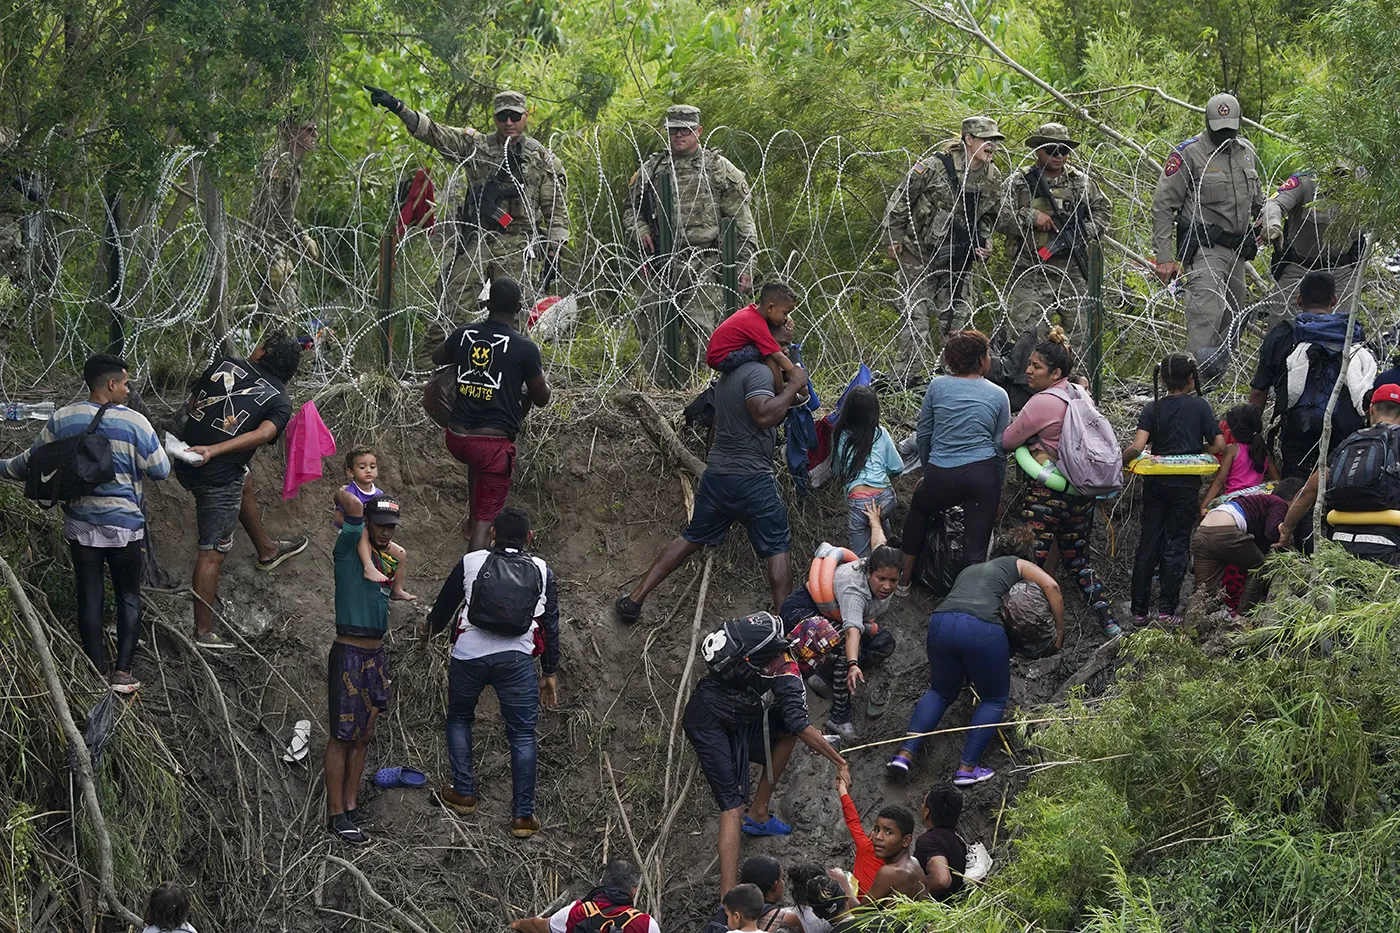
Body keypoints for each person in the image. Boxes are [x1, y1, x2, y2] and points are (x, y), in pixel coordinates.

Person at [615, 321, 809, 624]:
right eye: (783, 347)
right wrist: (795, 384)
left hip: (719, 475)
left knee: (692, 537)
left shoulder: (729, 375)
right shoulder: (758, 373)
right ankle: (786, 627)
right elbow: (763, 415)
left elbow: (719, 426)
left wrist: (789, 389)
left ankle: (634, 599)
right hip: (752, 478)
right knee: (777, 546)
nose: (787, 355)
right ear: (765, 346)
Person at [0, 353, 169, 693]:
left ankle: (94, 670)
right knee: (128, 596)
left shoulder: (64, 418)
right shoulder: (136, 423)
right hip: (125, 528)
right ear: (110, 384)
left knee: (89, 594)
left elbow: (26, 464)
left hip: (81, 526)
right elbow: (161, 470)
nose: (127, 389)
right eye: (124, 383)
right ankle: (122, 673)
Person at [681, 613, 849, 895]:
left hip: (733, 715)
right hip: (709, 722)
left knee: (786, 733)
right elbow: (801, 723)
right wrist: (839, 762)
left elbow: (793, 727)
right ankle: (729, 902)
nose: (820, 663)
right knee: (732, 807)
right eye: (821, 656)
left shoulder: (771, 647)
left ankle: (759, 813)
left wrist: (811, 738)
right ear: (810, 652)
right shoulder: (788, 672)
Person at [366, 86, 567, 318]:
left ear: (525, 116)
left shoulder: (543, 159)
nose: (509, 122)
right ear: (494, 118)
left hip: (517, 246)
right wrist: (398, 107)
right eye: (502, 116)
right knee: (450, 307)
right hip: (478, 239)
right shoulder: (477, 146)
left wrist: (554, 253)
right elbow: (435, 133)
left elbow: (555, 211)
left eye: (515, 116)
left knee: (513, 318)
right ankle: (448, 352)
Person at [886, 527, 1064, 782]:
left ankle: (904, 755)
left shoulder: (972, 569)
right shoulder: (1019, 564)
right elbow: (1052, 586)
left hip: (941, 622)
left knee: (939, 691)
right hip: (982, 628)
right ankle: (967, 768)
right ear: (1025, 555)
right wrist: (1058, 632)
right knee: (993, 698)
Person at [426, 508, 559, 838]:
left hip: (469, 655)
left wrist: (428, 632)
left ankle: (464, 792)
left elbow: (444, 605)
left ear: (493, 534)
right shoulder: (542, 570)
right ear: (529, 537)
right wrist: (549, 671)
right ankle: (523, 817)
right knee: (523, 735)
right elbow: (550, 624)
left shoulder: (472, 561)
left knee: (459, 718)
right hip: (516, 660)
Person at [174, 331, 307, 648]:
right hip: (216, 478)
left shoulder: (226, 364)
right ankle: (203, 633)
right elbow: (264, 434)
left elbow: (193, 404)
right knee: (212, 552)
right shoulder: (280, 400)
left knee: (244, 478)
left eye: (260, 343)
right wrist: (215, 450)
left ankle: (267, 550)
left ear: (264, 352)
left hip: (181, 455)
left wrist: (203, 441)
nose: (255, 346)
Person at [1002, 328, 1123, 637]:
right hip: (1081, 494)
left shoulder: (1041, 402)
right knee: (1079, 561)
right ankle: (1109, 622)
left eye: (1036, 367)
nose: (1028, 371)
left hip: (1047, 496)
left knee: (1031, 561)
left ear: (1055, 372)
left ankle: (1021, 631)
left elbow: (1007, 440)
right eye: (1029, 364)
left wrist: (1031, 446)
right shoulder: (1080, 393)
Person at [625, 104, 758, 383]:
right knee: (653, 330)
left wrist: (746, 266)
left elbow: (743, 223)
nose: (678, 136)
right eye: (673, 131)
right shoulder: (653, 168)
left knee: (703, 329)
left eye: (684, 131)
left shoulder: (718, 169)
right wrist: (640, 229)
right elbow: (631, 208)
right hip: (662, 261)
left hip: (705, 261)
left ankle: (704, 389)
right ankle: (659, 391)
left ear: (698, 131)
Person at [430, 276, 552, 552]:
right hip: (492, 445)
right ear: (519, 307)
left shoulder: (466, 334)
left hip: (458, 436)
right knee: (489, 521)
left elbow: (438, 357)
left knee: (479, 468)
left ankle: (471, 525)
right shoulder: (524, 348)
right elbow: (541, 398)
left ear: (487, 304)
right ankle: (474, 580)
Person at [1149, 92, 1264, 377]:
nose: (1225, 132)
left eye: (1230, 126)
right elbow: (1163, 205)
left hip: (1237, 251)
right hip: (1205, 248)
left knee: (1233, 315)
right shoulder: (1189, 153)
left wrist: (1265, 222)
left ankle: (1213, 379)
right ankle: (1190, 384)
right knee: (1206, 314)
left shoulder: (1246, 151)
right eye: (1219, 126)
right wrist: (1164, 257)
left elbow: (1257, 199)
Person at [995, 122, 1112, 395]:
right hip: (1031, 270)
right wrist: (1031, 217)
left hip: (1070, 271)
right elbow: (998, 214)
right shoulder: (1020, 181)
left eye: (1064, 150)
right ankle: (1029, 391)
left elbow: (1103, 210)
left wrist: (1083, 231)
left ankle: (1078, 389)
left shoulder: (1080, 182)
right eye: (1051, 149)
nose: (1059, 156)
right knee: (1028, 334)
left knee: (1080, 333)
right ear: (1038, 150)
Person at [885, 116, 1005, 376]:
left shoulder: (993, 177)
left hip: (958, 259)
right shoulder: (934, 167)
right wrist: (894, 237)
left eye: (994, 141)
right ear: (969, 140)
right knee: (916, 318)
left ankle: (950, 379)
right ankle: (908, 379)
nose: (991, 146)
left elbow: (989, 216)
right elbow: (902, 198)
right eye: (986, 140)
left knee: (955, 323)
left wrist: (985, 242)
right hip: (920, 252)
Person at [900, 330, 1011, 589]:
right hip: (983, 475)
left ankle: (903, 580)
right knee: (976, 543)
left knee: (919, 509)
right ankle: (965, 598)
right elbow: (1000, 447)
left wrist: (930, 470)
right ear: (981, 359)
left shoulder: (937, 386)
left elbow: (925, 434)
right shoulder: (999, 395)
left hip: (942, 472)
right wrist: (997, 489)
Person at [324, 490, 404, 844]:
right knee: (342, 736)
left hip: (376, 654)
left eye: (391, 527)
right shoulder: (349, 549)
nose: (385, 533)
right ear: (368, 524)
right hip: (350, 651)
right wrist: (349, 488)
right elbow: (352, 506)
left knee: (365, 734)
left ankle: (353, 806)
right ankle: (336, 813)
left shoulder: (387, 560)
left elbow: (397, 555)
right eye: (380, 525)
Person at [1121, 353, 1224, 626]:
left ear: (1163, 380)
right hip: (1185, 486)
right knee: (1176, 544)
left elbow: (1138, 446)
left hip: (1155, 485)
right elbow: (1219, 444)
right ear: (1191, 379)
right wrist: (1196, 450)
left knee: (1149, 541)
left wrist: (1120, 462)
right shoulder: (1200, 406)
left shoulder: (1151, 409)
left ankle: (1139, 611)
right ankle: (1167, 611)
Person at [779, 511, 900, 741]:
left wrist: (874, 520)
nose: (886, 586)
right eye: (881, 579)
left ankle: (823, 675)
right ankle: (839, 716)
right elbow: (852, 629)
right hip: (802, 611)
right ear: (869, 571)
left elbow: (879, 542)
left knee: (884, 642)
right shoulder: (856, 591)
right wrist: (854, 664)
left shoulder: (882, 560)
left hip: (835, 615)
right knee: (846, 646)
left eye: (893, 580)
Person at [1250, 270, 1375, 480]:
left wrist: (1252, 435)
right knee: (1340, 487)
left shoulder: (1282, 333)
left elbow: (1258, 391)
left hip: (1299, 430)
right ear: (1334, 300)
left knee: (1296, 490)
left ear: (1299, 300)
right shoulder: (1350, 331)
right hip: (1344, 430)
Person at [1278, 383, 1400, 564]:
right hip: (1388, 546)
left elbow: (1308, 491)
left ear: (1371, 409)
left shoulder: (1351, 442)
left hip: (1340, 545)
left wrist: (1286, 528)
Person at [1260, 165, 1367, 318]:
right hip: (1299, 270)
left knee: (1340, 332)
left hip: (1342, 273)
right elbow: (1274, 203)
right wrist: (1272, 225)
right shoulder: (1305, 182)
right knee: (1282, 330)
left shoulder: (1365, 184)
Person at [1188, 478, 1304, 617]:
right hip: (1225, 532)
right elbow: (1271, 531)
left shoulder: (1259, 500)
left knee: (1202, 591)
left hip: (1202, 532)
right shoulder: (1278, 503)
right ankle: (1242, 618)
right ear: (1297, 497)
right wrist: (1286, 532)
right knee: (1259, 568)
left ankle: (1186, 632)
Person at [249, 117, 320, 320]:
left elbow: (283, 215)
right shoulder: (279, 163)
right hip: (264, 245)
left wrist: (302, 237)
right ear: (290, 132)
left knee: (279, 312)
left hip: (277, 244)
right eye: (308, 130)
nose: (314, 135)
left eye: (314, 130)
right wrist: (274, 260)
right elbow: (262, 216)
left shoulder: (292, 163)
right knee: (282, 313)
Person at [828, 386, 903, 557]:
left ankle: (870, 573)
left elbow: (838, 470)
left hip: (859, 502)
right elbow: (897, 467)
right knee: (880, 517)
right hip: (886, 499)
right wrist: (883, 479)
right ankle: (889, 545)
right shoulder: (880, 433)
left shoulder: (840, 435)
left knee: (861, 559)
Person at [832, 774, 925, 900]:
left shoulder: (886, 870)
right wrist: (842, 789)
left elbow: (858, 913)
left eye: (888, 832)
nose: (878, 837)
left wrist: (843, 881)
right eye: (877, 830)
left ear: (906, 840)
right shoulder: (914, 863)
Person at [509, 859, 659, 933]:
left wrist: (517, 924)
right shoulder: (646, 925)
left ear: (601, 883)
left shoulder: (575, 912)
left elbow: (536, 925)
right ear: (634, 890)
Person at [708, 281, 797, 380]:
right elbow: (778, 357)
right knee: (769, 353)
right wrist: (795, 374)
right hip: (722, 359)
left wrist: (787, 318)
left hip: (723, 354)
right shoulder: (756, 323)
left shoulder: (753, 311)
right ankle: (779, 389)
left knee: (768, 349)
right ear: (770, 308)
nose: (786, 317)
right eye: (785, 313)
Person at [1201, 404, 1281, 510]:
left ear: (1233, 430)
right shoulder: (1264, 452)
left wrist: (1204, 505)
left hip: (1234, 503)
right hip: (1257, 503)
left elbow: (1220, 480)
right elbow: (1278, 481)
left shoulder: (1232, 450)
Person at [916, 783, 968, 902]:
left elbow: (941, 880)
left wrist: (910, 892)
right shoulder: (959, 842)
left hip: (929, 915)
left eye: (923, 802)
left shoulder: (928, 841)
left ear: (926, 812)